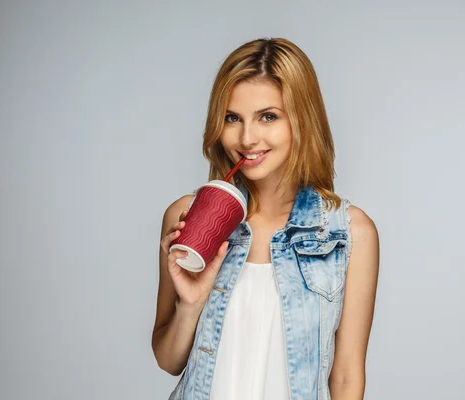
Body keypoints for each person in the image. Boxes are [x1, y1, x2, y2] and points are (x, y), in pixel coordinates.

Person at [152, 37, 380, 400]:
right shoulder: (185, 216)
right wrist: (190, 304)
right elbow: (167, 359)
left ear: (302, 121)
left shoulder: (349, 232)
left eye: (268, 117)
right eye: (232, 118)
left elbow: (348, 377)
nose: (246, 138)